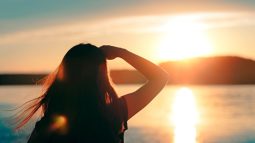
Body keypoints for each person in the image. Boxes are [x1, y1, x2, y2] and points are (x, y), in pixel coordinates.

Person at [15, 43, 169, 143]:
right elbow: (160, 77)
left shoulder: (47, 127)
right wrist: (121, 52)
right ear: (101, 78)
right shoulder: (114, 114)